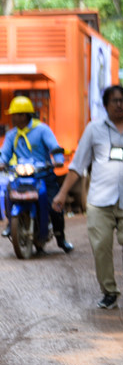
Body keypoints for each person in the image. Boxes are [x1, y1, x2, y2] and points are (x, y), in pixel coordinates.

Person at [52, 85, 123, 309]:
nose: (119, 104)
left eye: (122, 100)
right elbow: (77, 165)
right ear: (106, 104)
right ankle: (109, 291)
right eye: (114, 101)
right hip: (99, 200)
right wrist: (62, 194)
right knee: (100, 246)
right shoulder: (94, 129)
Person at [0, 96, 74, 253]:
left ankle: (61, 238)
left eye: (17, 114)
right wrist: (1, 163)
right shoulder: (12, 135)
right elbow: (4, 154)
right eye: (13, 115)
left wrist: (58, 160)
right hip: (21, 177)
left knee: (55, 205)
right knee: (8, 193)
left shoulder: (42, 129)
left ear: (26, 115)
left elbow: (54, 147)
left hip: (44, 176)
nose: (14, 118)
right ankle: (10, 223)